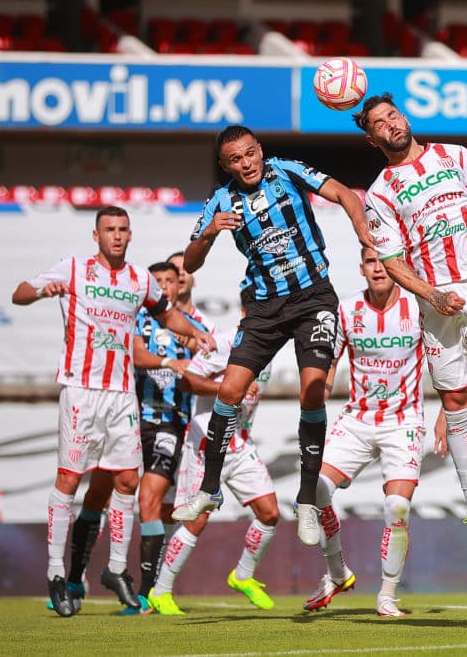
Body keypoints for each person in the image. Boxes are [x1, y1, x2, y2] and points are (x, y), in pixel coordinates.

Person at [172, 125, 374, 554]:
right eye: (236, 160)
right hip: (263, 308)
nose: (247, 164)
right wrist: (209, 233)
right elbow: (190, 261)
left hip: (313, 296)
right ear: (225, 166)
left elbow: (344, 193)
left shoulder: (287, 170)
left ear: (260, 150)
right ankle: (209, 489)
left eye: (250, 154)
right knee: (229, 390)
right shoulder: (221, 200)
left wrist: (362, 229)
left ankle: (305, 500)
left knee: (312, 390)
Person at [355, 93, 467, 561]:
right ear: (372, 138)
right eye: (379, 123)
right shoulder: (380, 193)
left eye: (393, 115)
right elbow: (392, 260)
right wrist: (430, 294)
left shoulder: (456, 156)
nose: (390, 124)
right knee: (456, 401)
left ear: (405, 117)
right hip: (436, 299)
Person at [11, 206, 215, 617]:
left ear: (130, 234)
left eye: (123, 229)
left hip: (122, 394)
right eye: (110, 230)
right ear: (96, 235)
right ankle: (55, 571)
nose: (117, 236)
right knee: (69, 479)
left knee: (126, 479)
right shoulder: (73, 269)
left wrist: (195, 332)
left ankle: (117, 569)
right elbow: (20, 292)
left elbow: (166, 312)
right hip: (82, 389)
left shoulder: (140, 278)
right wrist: (40, 292)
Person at [303, 247, 426, 618]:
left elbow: (442, 357)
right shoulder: (347, 309)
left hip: (403, 420)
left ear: (396, 266)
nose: (378, 269)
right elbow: (329, 362)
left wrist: (447, 417)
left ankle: (387, 596)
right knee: (315, 491)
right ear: (362, 268)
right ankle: (337, 572)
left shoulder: (417, 305)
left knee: (397, 506)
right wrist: (316, 401)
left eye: (383, 261)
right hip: (358, 418)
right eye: (370, 262)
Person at [149, 310, 279, 615]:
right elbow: (186, 382)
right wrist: (227, 390)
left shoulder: (271, 344)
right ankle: (161, 591)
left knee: (270, 513)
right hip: (207, 443)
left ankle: (243, 574)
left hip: (241, 442)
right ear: (251, 308)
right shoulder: (224, 342)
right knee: (198, 519)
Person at [131, 260, 207, 610]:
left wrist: (194, 347)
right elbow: (135, 354)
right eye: (156, 281)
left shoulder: (192, 326)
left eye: (168, 281)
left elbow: (209, 357)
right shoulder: (135, 318)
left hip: (170, 422)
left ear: (179, 286)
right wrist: (167, 362)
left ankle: (148, 593)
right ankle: (80, 580)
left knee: (150, 498)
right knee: (125, 499)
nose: (162, 287)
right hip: (130, 419)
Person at [167, 250, 216, 332]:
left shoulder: (208, 327)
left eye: (187, 268)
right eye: (175, 269)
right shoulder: (147, 320)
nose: (180, 273)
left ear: (194, 281)